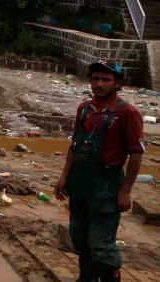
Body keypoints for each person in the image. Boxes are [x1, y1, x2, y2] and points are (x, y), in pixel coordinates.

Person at [54, 60, 145, 282]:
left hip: (106, 184)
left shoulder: (128, 113)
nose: (99, 84)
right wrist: (64, 177)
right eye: (95, 78)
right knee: (80, 236)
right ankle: (86, 278)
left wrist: (125, 191)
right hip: (80, 181)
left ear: (118, 83)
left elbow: (135, 154)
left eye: (106, 79)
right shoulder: (84, 109)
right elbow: (75, 146)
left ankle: (111, 276)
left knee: (101, 244)